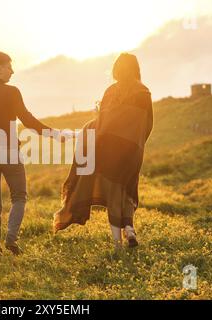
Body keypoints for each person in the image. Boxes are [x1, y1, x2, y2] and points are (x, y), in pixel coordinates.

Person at [0, 51, 67, 258]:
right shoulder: (12, 92)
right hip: (10, 151)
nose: (12, 71)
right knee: (19, 197)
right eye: (9, 66)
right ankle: (11, 239)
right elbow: (28, 120)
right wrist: (54, 134)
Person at [53, 53, 153, 249]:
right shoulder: (144, 92)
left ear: (117, 69)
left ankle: (117, 244)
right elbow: (147, 123)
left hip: (109, 149)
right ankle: (129, 229)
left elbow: (103, 123)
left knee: (114, 191)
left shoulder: (111, 91)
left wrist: (90, 129)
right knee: (128, 188)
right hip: (133, 149)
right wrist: (137, 143)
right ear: (136, 68)